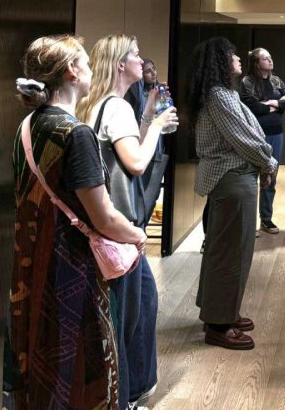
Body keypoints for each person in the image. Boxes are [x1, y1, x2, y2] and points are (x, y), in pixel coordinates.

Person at [4, 34, 147, 410]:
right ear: (71, 72)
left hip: (32, 259)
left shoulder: (28, 126)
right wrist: (136, 234)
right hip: (72, 266)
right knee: (85, 360)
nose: (89, 69)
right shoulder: (77, 134)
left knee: (41, 353)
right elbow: (103, 216)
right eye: (84, 62)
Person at [77, 35, 177, 410]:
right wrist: (156, 127)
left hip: (108, 223)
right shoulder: (116, 106)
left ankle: (133, 389)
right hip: (121, 226)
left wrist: (150, 112)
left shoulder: (100, 104)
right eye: (135, 55)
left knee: (145, 300)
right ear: (121, 64)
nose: (142, 60)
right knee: (126, 315)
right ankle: (121, 396)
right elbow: (134, 162)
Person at [190, 37, 278, 350]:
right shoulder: (219, 96)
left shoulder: (224, 93)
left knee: (228, 249)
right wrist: (268, 161)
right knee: (231, 253)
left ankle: (220, 310)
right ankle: (218, 324)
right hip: (232, 177)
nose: (239, 58)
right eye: (232, 55)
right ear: (221, 61)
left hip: (235, 176)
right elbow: (243, 138)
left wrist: (265, 161)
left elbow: (249, 131)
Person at [239, 48, 285, 234]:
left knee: (270, 177)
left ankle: (266, 219)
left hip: (276, 133)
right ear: (256, 62)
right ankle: (248, 223)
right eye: (265, 58)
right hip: (255, 134)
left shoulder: (276, 80)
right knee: (250, 177)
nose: (270, 60)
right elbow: (250, 107)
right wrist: (277, 103)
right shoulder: (247, 82)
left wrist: (272, 103)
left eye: (270, 57)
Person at [124, 58, 158, 124]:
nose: (153, 73)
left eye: (153, 69)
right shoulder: (133, 94)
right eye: (148, 71)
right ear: (141, 75)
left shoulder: (159, 91)